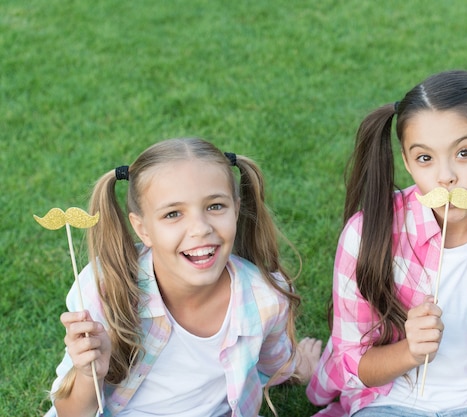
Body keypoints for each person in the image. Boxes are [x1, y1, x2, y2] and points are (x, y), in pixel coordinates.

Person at [306, 70, 467, 417]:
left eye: (464, 153)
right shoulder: (366, 235)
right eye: (425, 158)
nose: (445, 176)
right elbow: (355, 364)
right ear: (407, 162)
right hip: (390, 402)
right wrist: (410, 352)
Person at [45, 138, 321, 417]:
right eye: (173, 214)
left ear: (236, 209)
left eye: (215, 206)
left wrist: (301, 368)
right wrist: (87, 372)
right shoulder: (107, 287)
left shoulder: (264, 297)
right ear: (143, 229)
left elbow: (274, 361)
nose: (200, 228)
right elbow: (70, 412)